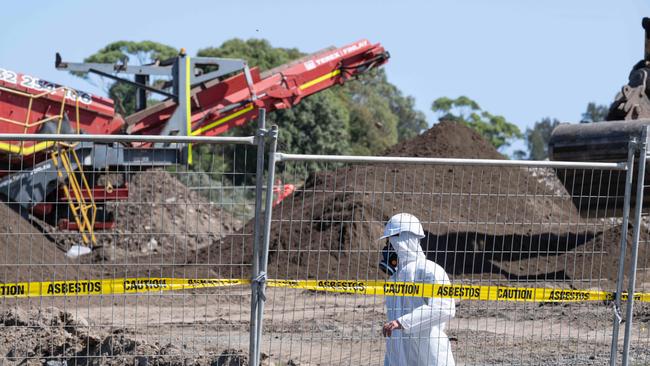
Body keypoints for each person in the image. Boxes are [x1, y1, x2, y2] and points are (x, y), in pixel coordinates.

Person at [380, 213, 456, 366]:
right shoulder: (393, 280)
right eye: (388, 242)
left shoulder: (430, 270)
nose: (388, 248)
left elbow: (445, 308)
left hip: (430, 354)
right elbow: (393, 327)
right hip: (401, 357)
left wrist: (402, 322)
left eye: (392, 241)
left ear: (405, 238)